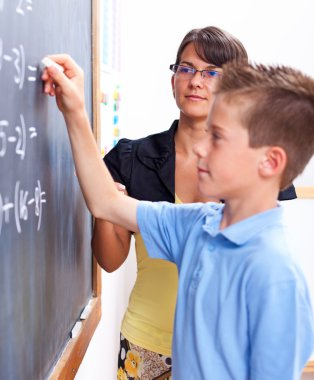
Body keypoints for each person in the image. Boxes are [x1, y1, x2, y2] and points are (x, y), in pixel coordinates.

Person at [42, 55, 314, 379]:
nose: (200, 148)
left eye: (217, 137)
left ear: (270, 162)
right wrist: (74, 110)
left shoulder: (277, 278)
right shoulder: (197, 225)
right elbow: (105, 203)